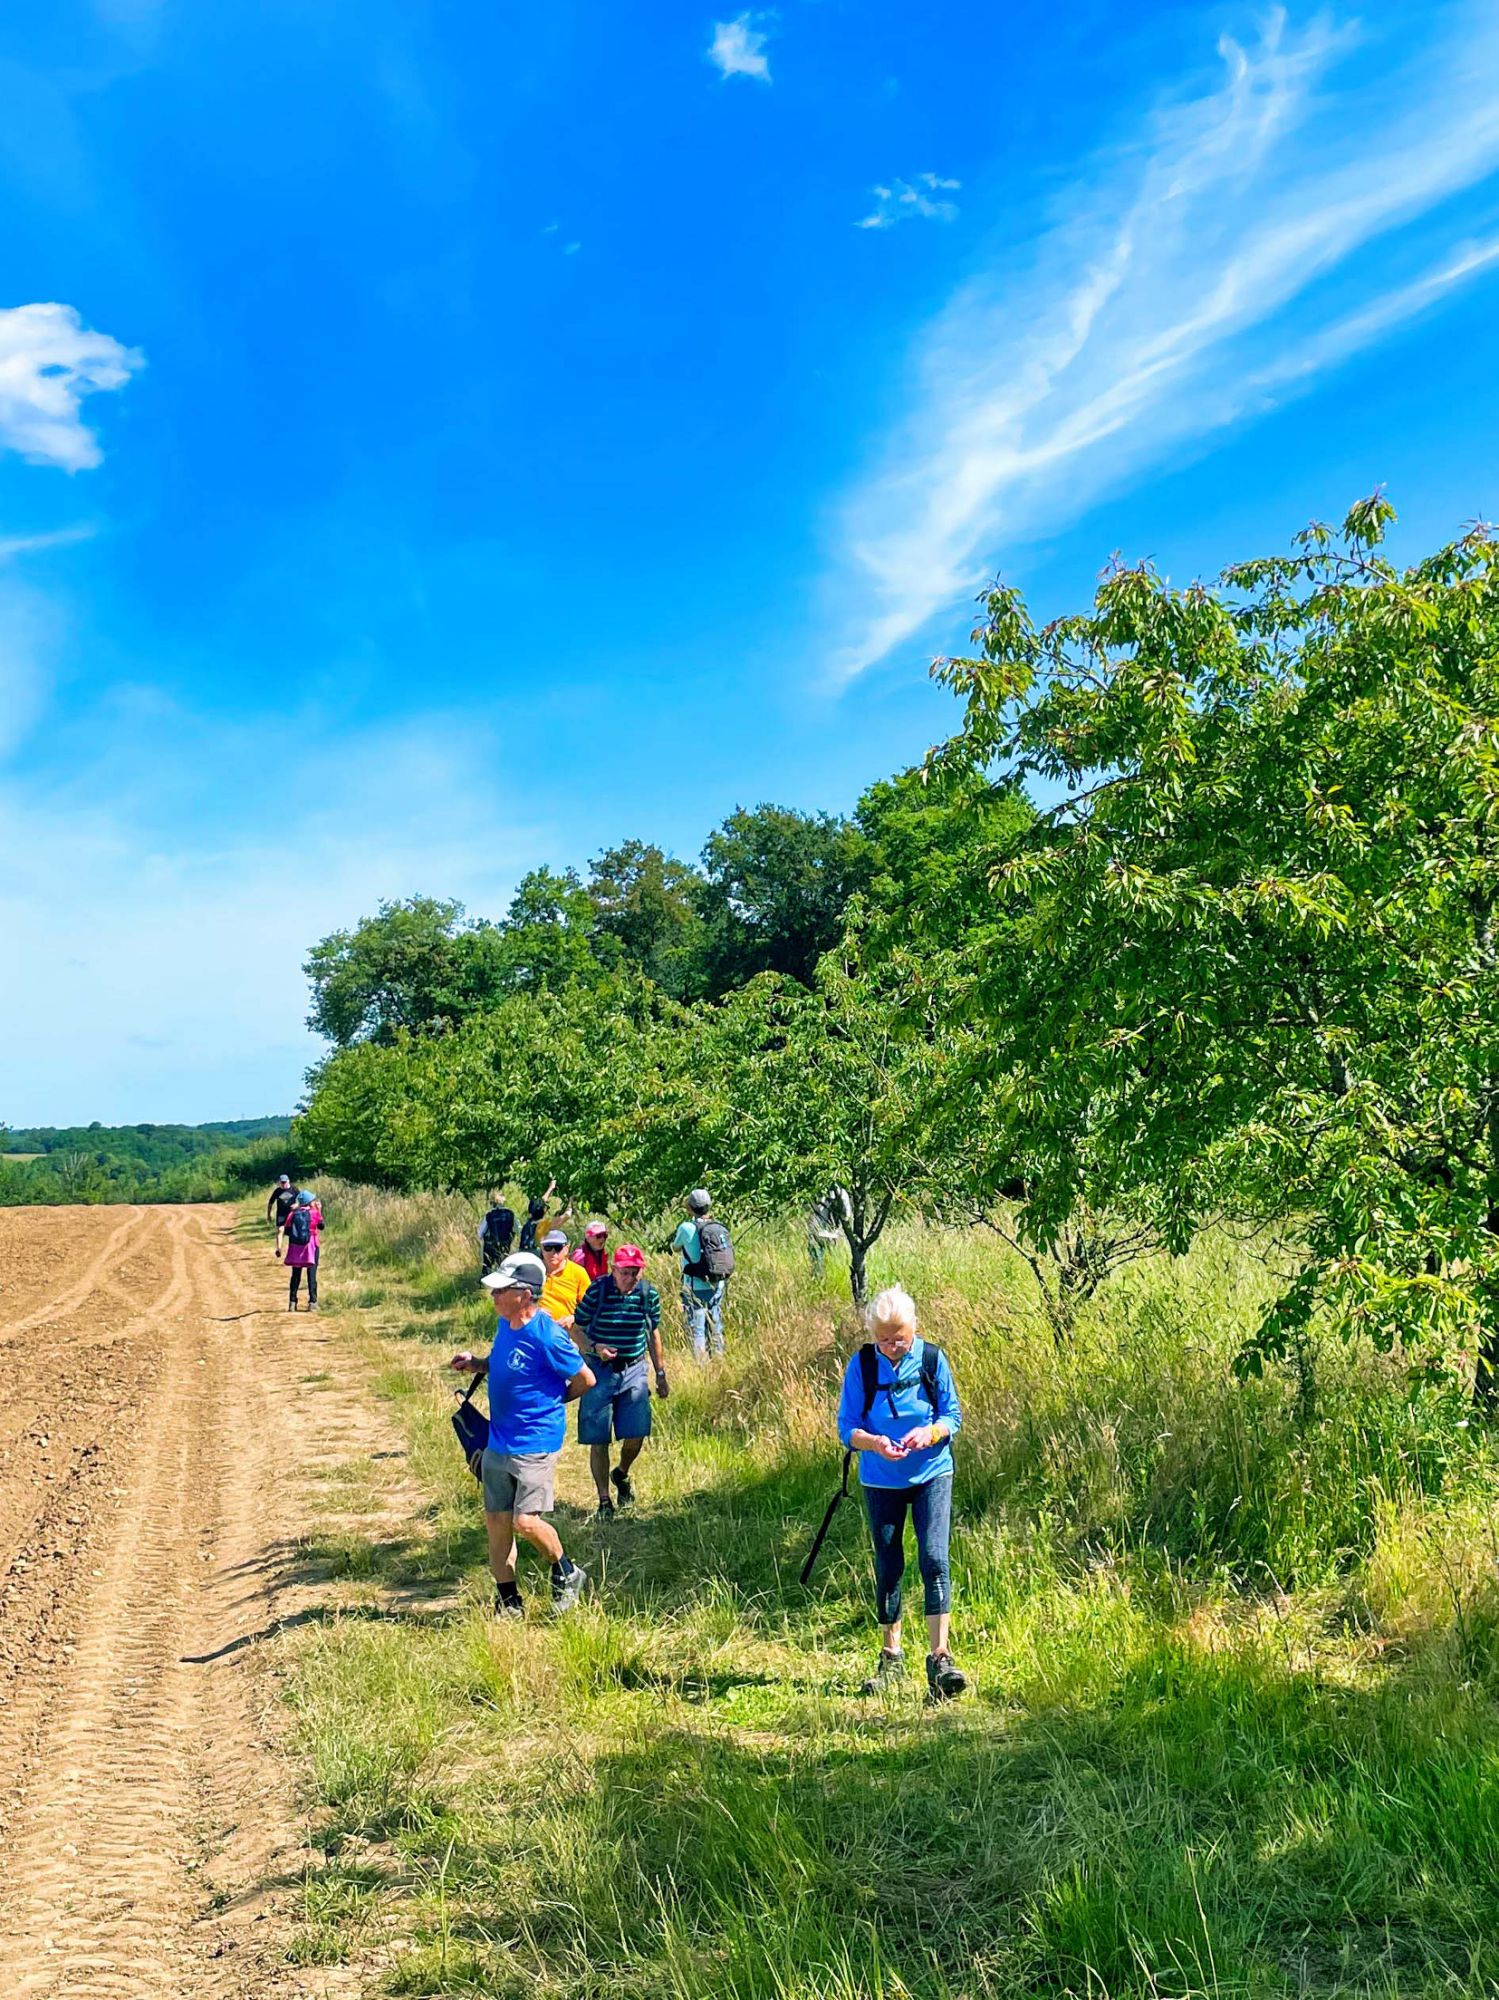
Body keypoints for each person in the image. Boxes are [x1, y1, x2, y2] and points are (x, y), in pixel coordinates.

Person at [836, 1284, 966, 1702]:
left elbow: (953, 1416)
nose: (892, 1347)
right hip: (880, 1478)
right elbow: (846, 1428)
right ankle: (891, 1659)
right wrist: (874, 1443)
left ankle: (940, 1659)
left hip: (932, 1473)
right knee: (889, 1564)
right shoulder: (862, 1365)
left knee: (934, 1559)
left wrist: (931, 1433)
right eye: (884, 1340)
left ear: (914, 1328)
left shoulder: (932, 1359)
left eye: (900, 1339)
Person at [448, 1251, 593, 1617]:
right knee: (497, 1522)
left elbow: (586, 1379)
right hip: (498, 1440)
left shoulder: (548, 1335)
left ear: (525, 1294)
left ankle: (567, 1572)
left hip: (535, 1442)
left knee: (525, 1521)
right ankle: (508, 1601)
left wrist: (555, 1403)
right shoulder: (506, 1325)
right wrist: (477, 1364)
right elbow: (502, 1363)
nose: (494, 1296)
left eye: (501, 1290)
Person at [573, 1244, 669, 1517]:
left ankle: (621, 1472)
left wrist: (661, 1374)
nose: (630, 1278)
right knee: (599, 1437)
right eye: (625, 1272)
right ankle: (604, 1501)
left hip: (634, 1368)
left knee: (637, 1433)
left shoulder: (647, 1294)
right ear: (613, 1270)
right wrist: (595, 1348)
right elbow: (576, 1328)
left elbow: (653, 1333)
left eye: (635, 1272)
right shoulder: (597, 1291)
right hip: (599, 1369)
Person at [672, 1188, 731, 1360]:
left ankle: (701, 1364)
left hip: (695, 1284)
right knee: (715, 1322)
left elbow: (675, 1247)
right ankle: (718, 1358)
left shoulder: (686, 1228)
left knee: (697, 1326)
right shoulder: (718, 1227)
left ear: (690, 1207)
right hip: (717, 1282)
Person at [539, 1228, 589, 1329]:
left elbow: (590, 1307)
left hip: (566, 1331)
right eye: (548, 1248)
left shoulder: (578, 1272)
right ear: (542, 1249)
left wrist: (574, 1318)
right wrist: (534, 1311)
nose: (553, 1252)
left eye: (558, 1248)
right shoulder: (534, 1271)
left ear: (566, 1249)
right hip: (537, 1330)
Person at [283, 1188, 323, 1311]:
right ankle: (312, 1302)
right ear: (309, 1202)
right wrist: (319, 1210)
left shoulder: (292, 1214)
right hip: (312, 1246)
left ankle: (292, 1302)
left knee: (295, 1275)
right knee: (311, 1274)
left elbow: (287, 1231)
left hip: (296, 1247)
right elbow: (321, 1226)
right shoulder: (314, 1213)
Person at [477, 1193, 516, 1276]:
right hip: (505, 1245)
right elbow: (517, 1229)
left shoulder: (489, 1215)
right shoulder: (510, 1214)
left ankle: (485, 1278)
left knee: (487, 1268)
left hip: (491, 1245)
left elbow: (480, 1233)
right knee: (504, 1268)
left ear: (493, 1203)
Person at [518, 1178, 557, 1254]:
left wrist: (551, 1188)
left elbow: (539, 1204)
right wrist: (570, 1203)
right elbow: (567, 1215)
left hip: (521, 1252)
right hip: (535, 1254)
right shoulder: (544, 1224)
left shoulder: (528, 1224)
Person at [266, 1173, 297, 1257]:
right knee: (280, 1230)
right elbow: (270, 1203)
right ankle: (278, 1249)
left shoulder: (294, 1189)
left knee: (292, 1232)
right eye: (281, 1182)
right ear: (279, 1182)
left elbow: (302, 1199)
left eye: (284, 1182)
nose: (283, 1184)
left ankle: (292, 1250)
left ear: (288, 1181)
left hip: (292, 1214)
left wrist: (297, 1205)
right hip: (281, 1214)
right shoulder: (277, 1191)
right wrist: (268, 1215)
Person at [572, 1219, 610, 1284]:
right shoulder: (580, 1256)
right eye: (598, 1236)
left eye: (604, 1235)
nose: (602, 1239)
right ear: (588, 1238)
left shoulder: (602, 1254)